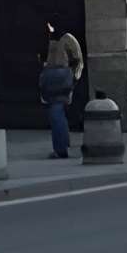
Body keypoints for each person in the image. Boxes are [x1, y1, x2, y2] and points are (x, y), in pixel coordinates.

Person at [39, 20, 84, 159]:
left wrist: (73, 80)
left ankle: (61, 148)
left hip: (62, 79)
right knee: (57, 115)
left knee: (56, 114)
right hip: (52, 79)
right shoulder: (51, 40)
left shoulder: (68, 39)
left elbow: (78, 60)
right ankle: (62, 146)